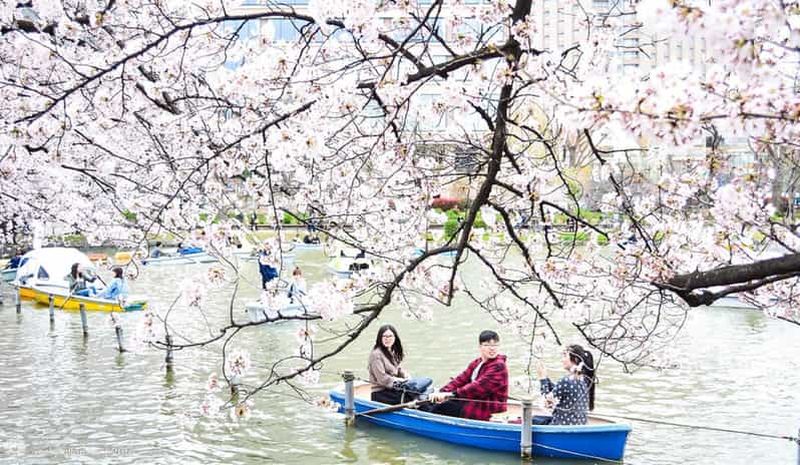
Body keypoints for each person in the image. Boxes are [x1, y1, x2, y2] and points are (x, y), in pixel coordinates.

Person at [426, 330, 508, 421]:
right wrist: (442, 392)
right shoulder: (477, 362)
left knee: (443, 408)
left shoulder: (498, 366)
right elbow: (461, 379)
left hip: (487, 407)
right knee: (430, 403)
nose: (492, 349)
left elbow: (477, 387)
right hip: (473, 401)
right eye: (487, 345)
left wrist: (452, 394)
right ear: (480, 347)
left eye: (495, 345)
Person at [534, 344, 596, 425]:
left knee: (531, 420)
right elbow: (559, 391)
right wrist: (546, 378)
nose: (562, 360)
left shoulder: (566, 381)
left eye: (565, 356)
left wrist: (542, 379)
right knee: (536, 419)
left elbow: (546, 404)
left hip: (560, 427)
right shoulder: (585, 380)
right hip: (579, 425)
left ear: (576, 359)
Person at [368, 325, 412, 405]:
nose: (387, 339)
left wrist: (405, 375)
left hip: (393, 389)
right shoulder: (376, 355)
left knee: (418, 390)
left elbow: (397, 369)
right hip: (381, 393)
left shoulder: (391, 351)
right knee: (412, 397)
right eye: (384, 336)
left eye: (390, 336)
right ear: (379, 338)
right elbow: (382, 379)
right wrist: (400, 380)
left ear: (395, 338)